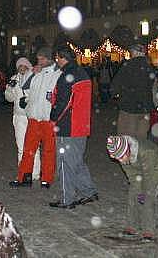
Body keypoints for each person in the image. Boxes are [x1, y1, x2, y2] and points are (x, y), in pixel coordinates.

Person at [48, 46, 98, 209]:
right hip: (82, 125)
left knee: (65, 162)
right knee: (76, 160)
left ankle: (66, 198)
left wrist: (53, 119)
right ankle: (89, 191)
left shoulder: (67, 76)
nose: (56, 61)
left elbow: (64, 102)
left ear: (62, 58)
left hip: (68, 126)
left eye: (57, 58)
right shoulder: (82, 73)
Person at [9, 47, 60, 188]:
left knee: (48, 150)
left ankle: (47, 178)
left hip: (48, 118)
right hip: (33, 117)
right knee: (28, 149)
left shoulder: (57, 74)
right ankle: (24, 177)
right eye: (38, 59)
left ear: (49, 59)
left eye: (42, 59)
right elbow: (25, 86)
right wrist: (32, 73)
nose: (39, 61)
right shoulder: (36, 72)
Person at [106, 134, 158, 241]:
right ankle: (132, 225)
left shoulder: (147, 152)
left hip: (155, 168)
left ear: (127, 150)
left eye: (121, 157)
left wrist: (144, 192)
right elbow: (131, 175)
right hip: (137, 168)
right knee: (133, 194)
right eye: (118, 158)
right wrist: (137, 189)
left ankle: (148, 230)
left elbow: (148, 177)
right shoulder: (122, 155)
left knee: (148, 198)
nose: (121, 161)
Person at [111, 43, 156, 141]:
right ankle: (140, 153)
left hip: (129, 107)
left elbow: (115, 85)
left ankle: (129, 154)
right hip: (145, 107)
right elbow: (153, 86)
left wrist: (116, 94)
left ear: (134, 53)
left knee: (127, 136)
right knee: (141, 136)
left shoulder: (127, 66)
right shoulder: (149, 67)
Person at [5, 57, 41, 180]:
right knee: (21, 146)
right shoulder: (14, 79)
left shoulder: (34, 78)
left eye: (23, 66)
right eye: (19, 66)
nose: (21, 68)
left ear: (27, 66)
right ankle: (23, 171)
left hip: (32, 115)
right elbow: (8, 98)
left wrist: (27, 100)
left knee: (33, 145)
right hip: (19, 116)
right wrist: (10, 88)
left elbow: (37, 95)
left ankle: (35, 172)